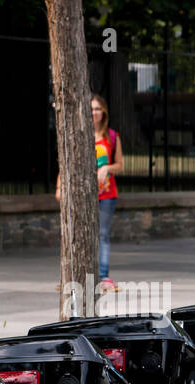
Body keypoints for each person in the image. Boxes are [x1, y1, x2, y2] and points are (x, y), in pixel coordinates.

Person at [57, 94, 123, 293]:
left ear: (104, 112)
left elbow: (120, 166)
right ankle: (74, 277)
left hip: (106, 195)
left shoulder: (111, 136)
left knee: (102, 235)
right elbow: (65, 164)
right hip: (82, 195)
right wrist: (60, 186)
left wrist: (107, 169)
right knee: (75, 236)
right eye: (91, 109)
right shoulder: (79, 135)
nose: (94, 112)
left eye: (97, 109)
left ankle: (103, 277)